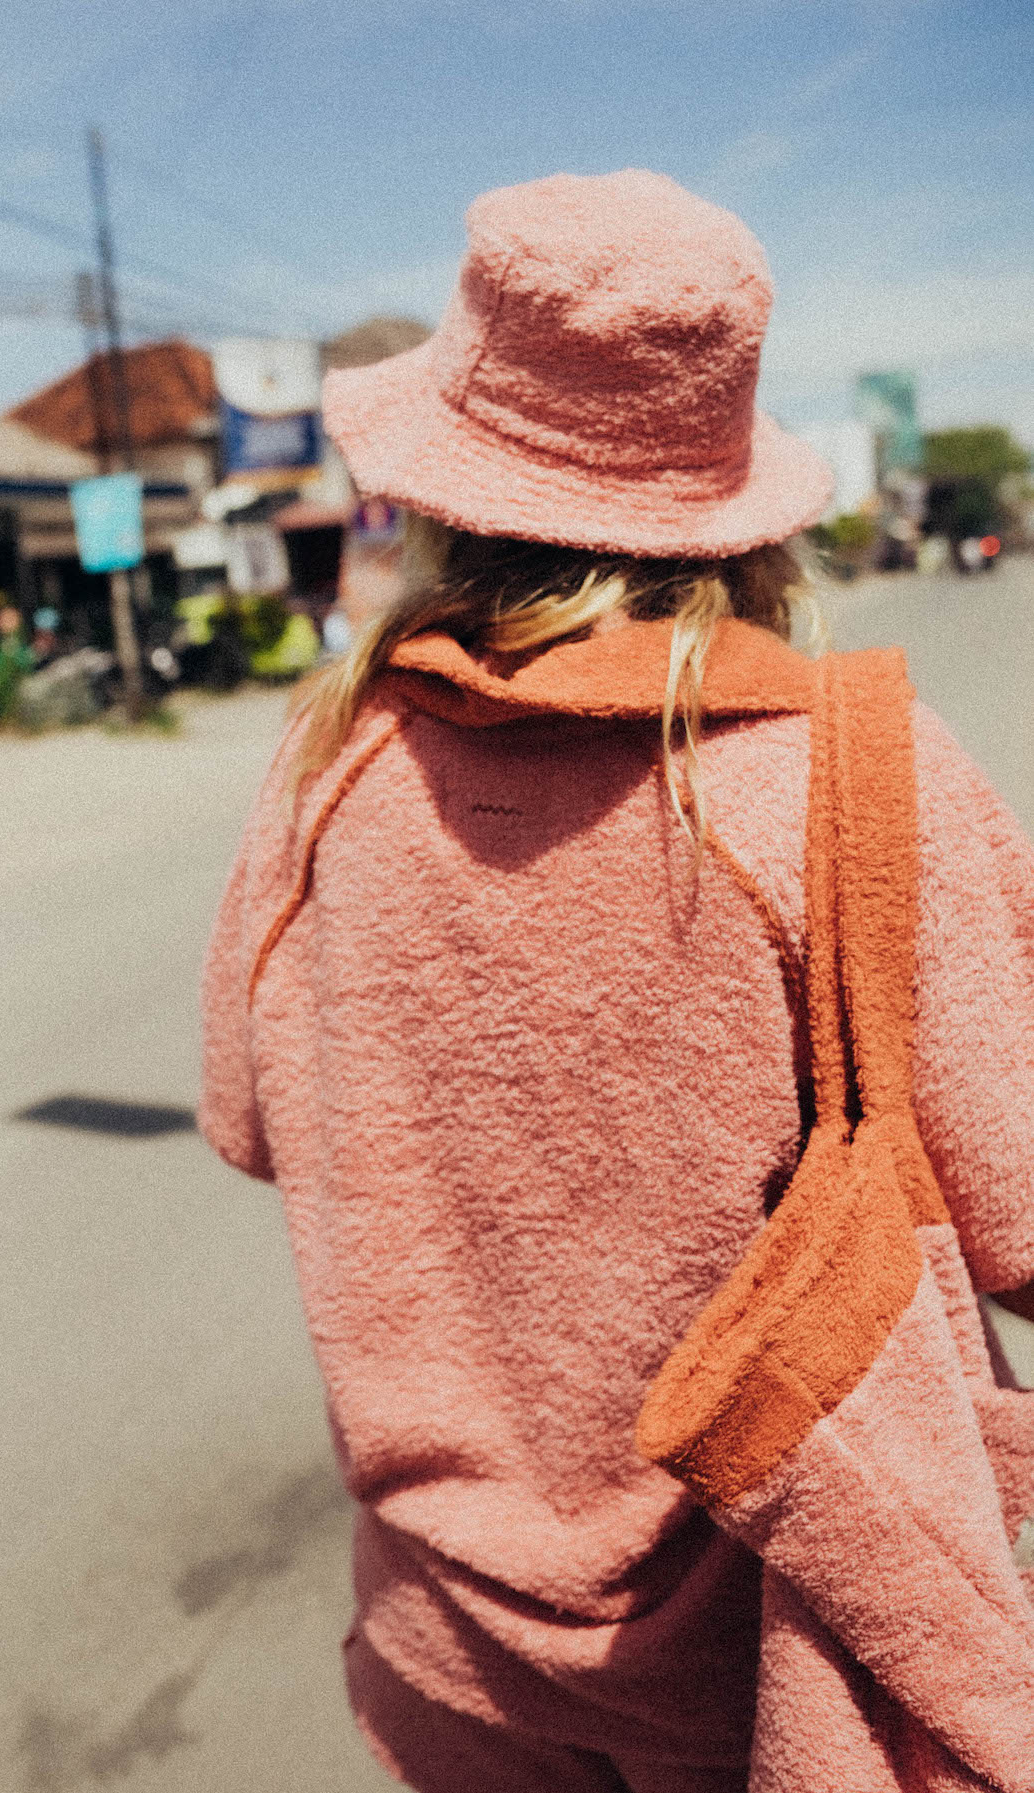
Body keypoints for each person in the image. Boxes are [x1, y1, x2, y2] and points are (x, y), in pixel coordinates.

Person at [200, 171, 1034, 1791]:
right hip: (778, 1679)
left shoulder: (328, 772)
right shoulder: (858, 778)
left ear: (448, 482)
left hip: (456, 1655)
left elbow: (250, 1119)